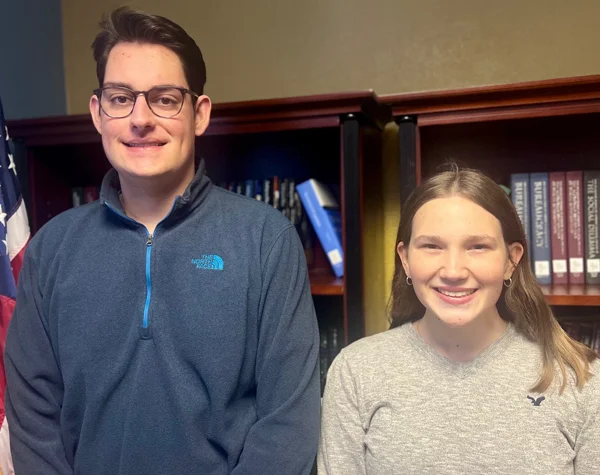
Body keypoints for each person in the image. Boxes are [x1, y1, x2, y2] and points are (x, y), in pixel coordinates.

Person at [5, 7, 320, 474]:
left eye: (165, 99)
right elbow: (34, 420)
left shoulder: (265, 241)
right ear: (98, 113)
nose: (140, 119)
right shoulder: (52, 249)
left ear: (199, 114)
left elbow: (287, 424)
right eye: (120, 98)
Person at [318, 166, 599, 474]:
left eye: (478, 246)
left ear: (511, 260)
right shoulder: (355, 372)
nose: (453, 271)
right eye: (432, 246)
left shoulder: (580, 378)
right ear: (405, 258)